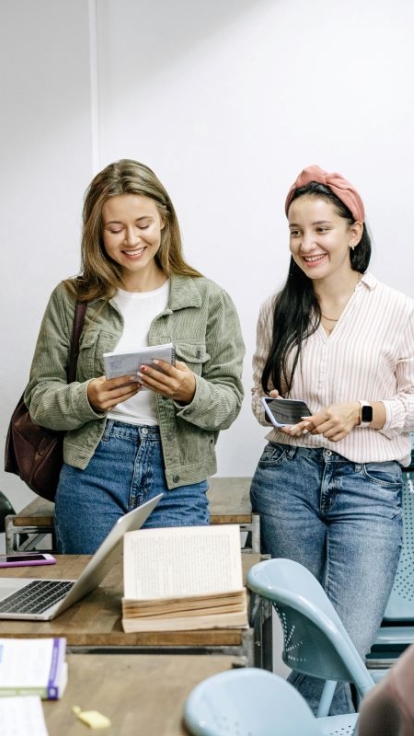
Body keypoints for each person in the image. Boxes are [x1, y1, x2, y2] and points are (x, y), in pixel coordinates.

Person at [250, 164, 414, 715]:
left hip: (369, 488)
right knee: (310, 645)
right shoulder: (278, 309)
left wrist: (364, 412)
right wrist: (275, 412)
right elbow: (256, 397)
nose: (306, 243)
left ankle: (277, 724)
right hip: (286, 481)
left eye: (320, 228)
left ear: (353, 231)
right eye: (295, 231)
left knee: (342, 644)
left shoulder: (396, 309)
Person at [25, 159, 245, 554]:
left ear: (164, 220)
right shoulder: (71, 299)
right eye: (115, 228)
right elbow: (40, 399)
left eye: (142, 224)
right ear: (97, 232)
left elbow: (229, 404)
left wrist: (191, 391)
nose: (131, 240)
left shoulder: (208, 300)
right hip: (92, 472)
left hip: (178, 477)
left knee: (169, 604)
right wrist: (88, 397)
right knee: (90, 605)